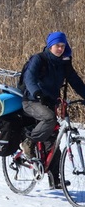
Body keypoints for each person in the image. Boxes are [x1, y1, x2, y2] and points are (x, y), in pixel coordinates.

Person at [20, 31, 85, 189]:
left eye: (63, 46)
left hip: (50, 102)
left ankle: (54, 179)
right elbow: (30, 78)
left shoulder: (64, 63)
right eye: (57, 45)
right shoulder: (39, 59)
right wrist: (37, 93)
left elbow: (75, 81)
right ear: (50, 46)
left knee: (54, 141)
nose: (61, 49)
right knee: (49, 118)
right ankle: (29, 142)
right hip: (32, 101)